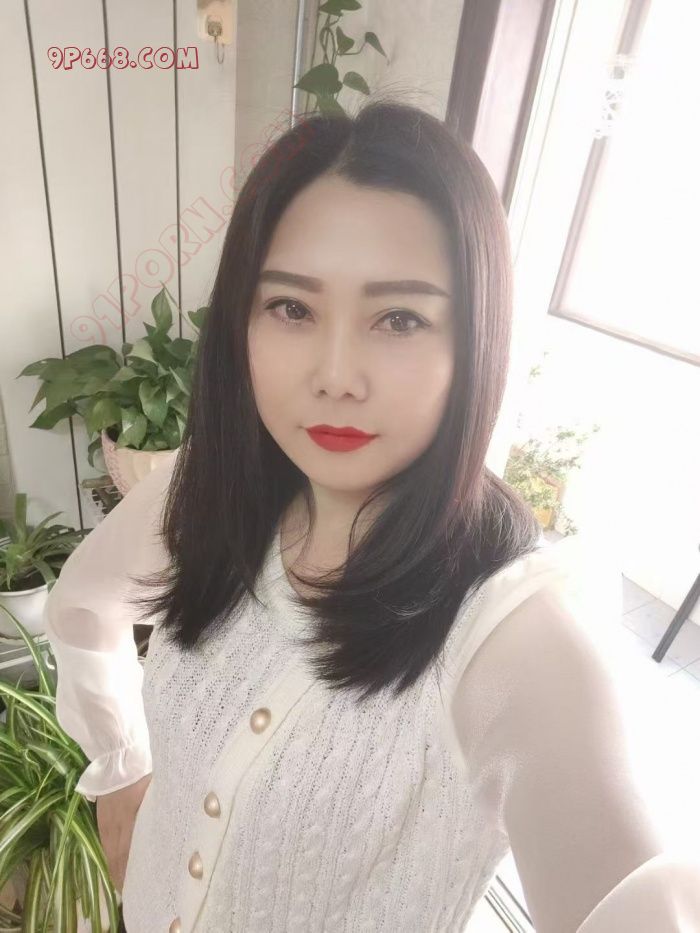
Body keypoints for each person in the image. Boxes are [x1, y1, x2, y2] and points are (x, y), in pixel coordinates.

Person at [43, 100, 700, 932]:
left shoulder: (514, 639)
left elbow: (629, 884)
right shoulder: (205, 494)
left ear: (475, 342)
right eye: (292, 307)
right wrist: (123, 768)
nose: (336, 374)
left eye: (399, 318)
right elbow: (83, 605)